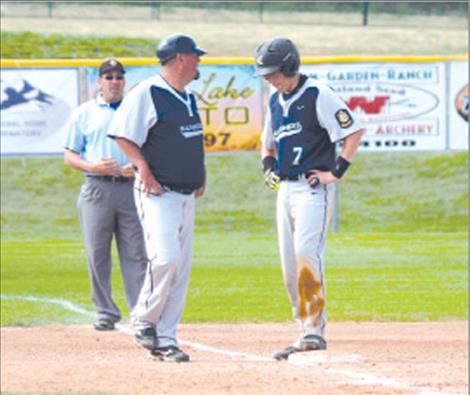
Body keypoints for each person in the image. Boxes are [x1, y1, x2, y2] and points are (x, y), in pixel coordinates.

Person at [254, 37, 365, 360]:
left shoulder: (318, 93)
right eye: (266, 74)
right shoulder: (275, 100)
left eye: (274, 72)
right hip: (285, 189)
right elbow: (268, 144)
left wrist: (337, 171)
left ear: (290, 65)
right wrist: (267, 167)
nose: (270, 79)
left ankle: (314, 331)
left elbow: (353, 131)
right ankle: (304, 327)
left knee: (306, 252)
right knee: (289, 261)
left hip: (313, 187)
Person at [108, 34, 207, 363]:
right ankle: (143, 319)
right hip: (157, 191)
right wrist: (142, 167)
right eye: (196, 56)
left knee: (180, 269)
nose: (199, 62)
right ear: (180, 58)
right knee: (165, 259)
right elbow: (123, 134)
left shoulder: (188, 98)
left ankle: (166, 338)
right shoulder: (148, 92)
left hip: (185, 193)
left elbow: (190, 141)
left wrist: (200, 172)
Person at [64, 59, 147, 331]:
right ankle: (105, 311)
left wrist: (136, 167)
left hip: (129, 187)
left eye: (119, 77)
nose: (114, 81)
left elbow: (149, 147)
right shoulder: (84, 113)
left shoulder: (136, 110)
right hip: (97, 187)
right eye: (108, 77)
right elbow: (70, 155)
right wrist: (92, 166)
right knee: (97, 252)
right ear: (99, 82)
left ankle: (140, 313)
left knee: (136, 252)